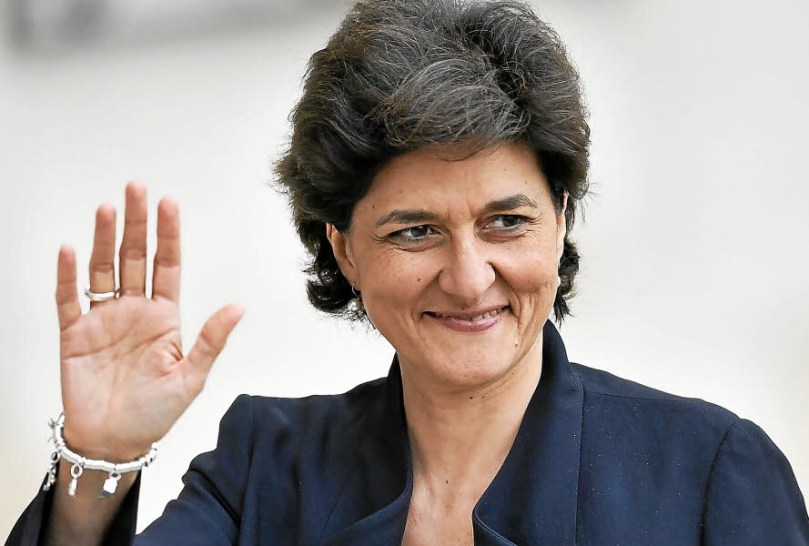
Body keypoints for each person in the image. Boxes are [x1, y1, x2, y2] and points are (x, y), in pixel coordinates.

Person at [6, 0, 809, 544]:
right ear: (344, 250)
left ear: (560, 217)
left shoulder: (709, 472)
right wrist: (95, 458)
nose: (468, 277)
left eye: (506, 222)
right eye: (416, 231)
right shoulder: (266, 469)